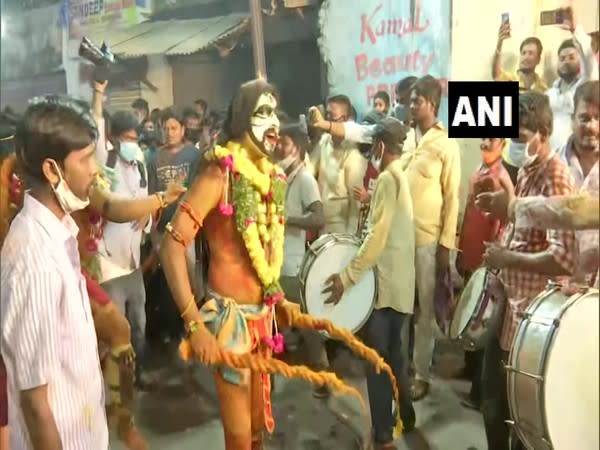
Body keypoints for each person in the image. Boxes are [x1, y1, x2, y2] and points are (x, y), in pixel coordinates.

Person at [159, 79, 394, 450]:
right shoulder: (220, 172)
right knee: (238, 436)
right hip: (230, 323)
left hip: (263, 322)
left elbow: (265, 252)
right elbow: (171, 246)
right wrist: (194, 322)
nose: (272, 124)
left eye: (274, 114)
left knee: (256, 429)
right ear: (240, 119)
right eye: (261, 113)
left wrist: (275, 298)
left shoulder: (272, 178)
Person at [0, 95, 108, 450]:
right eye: (86, 158)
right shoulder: (36, 259)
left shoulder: (57, 234)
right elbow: (35, 402)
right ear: (52, 170)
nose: (95, 169)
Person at [480, 91, 576, 450]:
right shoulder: (525, 175)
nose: (515, 143)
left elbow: (563, 257)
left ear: (545, 130)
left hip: (532, 325)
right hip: (508, 309)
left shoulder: (556, 176)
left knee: (524, 427)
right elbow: (523, 232)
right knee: (492, 407)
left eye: (521, 134)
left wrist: (510, 261)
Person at [325, 118, 417, 449]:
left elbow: (376, 239)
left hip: (388, 290)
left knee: (376, 362)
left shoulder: (388, 181)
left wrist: (346, 277)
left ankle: (382, 436)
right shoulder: (396, 178)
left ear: (379, 147)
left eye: (371, 148)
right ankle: (406, 416)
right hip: (400, 287)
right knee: (396, 358)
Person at [403, 75, 461, 401]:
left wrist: (445, 248)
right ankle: (402, 366)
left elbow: (452, 198)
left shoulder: (446, 143)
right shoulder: (407, 138)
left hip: (427, 241)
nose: (412, 105)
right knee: (400, 307)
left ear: (433, 104)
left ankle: (421, 374)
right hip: (399, 239)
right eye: (410, 100)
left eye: (417, 101)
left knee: (426, 311)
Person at [456, 137, 513, 410]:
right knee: (468, 314)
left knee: (480, 323)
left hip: (488, 260)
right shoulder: (480, 171)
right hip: (471, 253)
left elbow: (507, 222)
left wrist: (495, 258)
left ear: (502, 143)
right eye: (483, 138)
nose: (485, 143)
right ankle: (468, 370)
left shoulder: (503, 177)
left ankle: (478, 391)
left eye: (491, 140)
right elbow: (469, 211)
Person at [308, 95, 367, 234]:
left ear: (345, 119)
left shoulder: (352, 153)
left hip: (341, 227)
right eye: (326, 116)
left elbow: (356, 201)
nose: (327, 122)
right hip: (321, 221)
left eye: (332, 117)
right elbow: (308, 170)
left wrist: (351, 235)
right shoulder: (324, 141)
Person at [546, 6, 599, 150]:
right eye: (562, 58)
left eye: (571, 57)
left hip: (574, 158)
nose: (566, 61)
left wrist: (575, 30)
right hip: (549, 162)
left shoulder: (584, 86)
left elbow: (589, 61)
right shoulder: (549, 94)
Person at [493, 21, 548, 92]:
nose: (525, 57)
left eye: (530, 53)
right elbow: (496, 74)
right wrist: (500, 42)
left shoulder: (543, 88)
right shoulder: (510, 80)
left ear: (538, 60)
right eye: (523, 53)